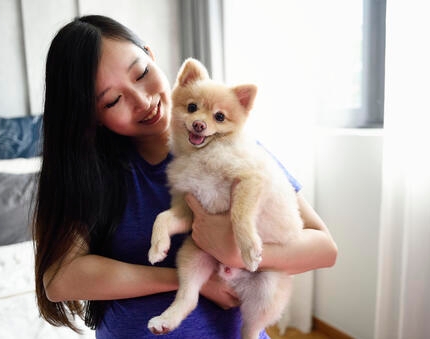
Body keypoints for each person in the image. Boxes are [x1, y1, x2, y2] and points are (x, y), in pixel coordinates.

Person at [33, 15, 337, 339]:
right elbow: (60, 280)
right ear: (91, 115)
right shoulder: (93, 175)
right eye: (113, 100)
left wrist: (236, 250)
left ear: (151, 55)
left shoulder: (236, 148)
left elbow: (323, 247)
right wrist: (193, 282)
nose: (142, 100)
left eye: (142, 73)